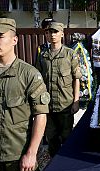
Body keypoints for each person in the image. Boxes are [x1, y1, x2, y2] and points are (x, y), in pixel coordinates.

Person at [0, 18, 50, 171]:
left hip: (19, 157)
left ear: (14, 40)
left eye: (0, 37)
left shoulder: (29, 75)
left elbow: (40, 116)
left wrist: (31, 153)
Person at [35, 22, 82, 157]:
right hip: (47, 106)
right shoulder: (42, 55)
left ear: (62, 34)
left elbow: (76, 78)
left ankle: (66, 161)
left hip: (65, 104)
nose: (52, 35)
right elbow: (38, 80)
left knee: (67, 136)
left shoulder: (70, 54)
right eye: (49, 32)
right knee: (52, 138)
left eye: (55, 32)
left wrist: (76, 101)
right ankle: (52, 163)